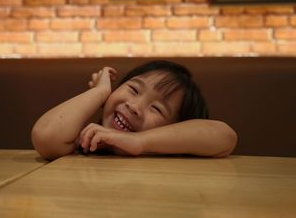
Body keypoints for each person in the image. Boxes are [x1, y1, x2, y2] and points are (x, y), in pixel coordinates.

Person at [31, 60, 237, 160]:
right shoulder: (87, 140)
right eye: (133, 89)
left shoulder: (164, 150)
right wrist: (100, 93)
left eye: (157, 108)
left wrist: (140, 141)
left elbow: (225, 137)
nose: (135, 107)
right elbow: (45, 137)